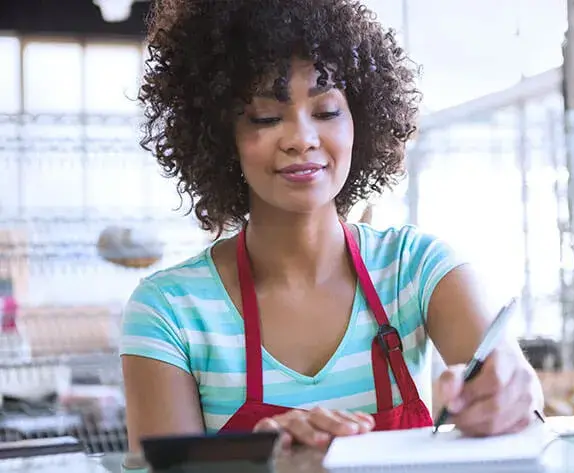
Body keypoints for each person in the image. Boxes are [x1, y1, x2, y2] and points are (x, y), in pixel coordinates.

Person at [121, 0, 544, 453]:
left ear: (362, 121)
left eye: (326, 112)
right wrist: (252, 464)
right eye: (265, 117)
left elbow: (524, 402)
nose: (302, 138)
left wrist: (511, 396)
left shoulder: (417, 270)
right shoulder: (169, 312)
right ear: (222, 135)